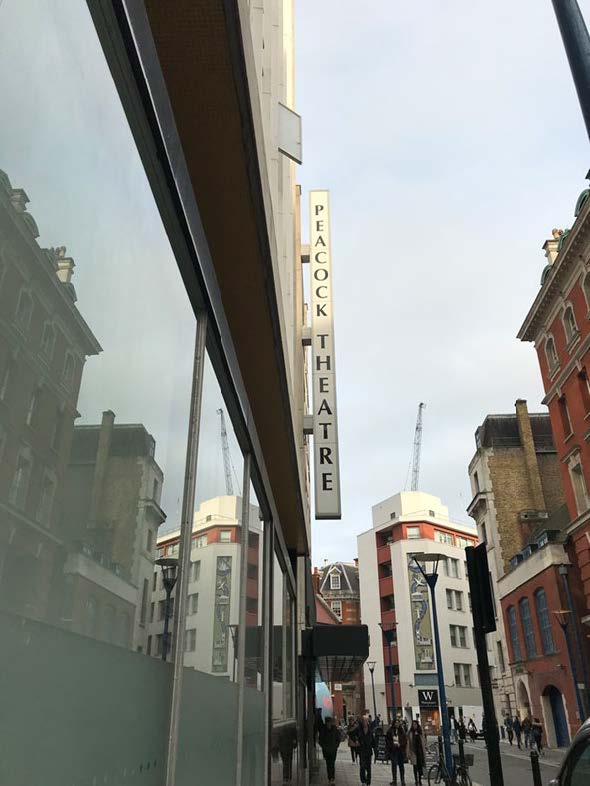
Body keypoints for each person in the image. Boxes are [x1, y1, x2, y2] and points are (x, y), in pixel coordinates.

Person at [353, 713, 375, 786]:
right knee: (362, 766)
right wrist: (356, 740)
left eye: (366, 721)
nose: (365, 722)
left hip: (368, 751)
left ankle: (368, 782)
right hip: (361, 750)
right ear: (362, 721)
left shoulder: (370, 730)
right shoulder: (359, 729)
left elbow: (373, 741)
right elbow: (352, 734)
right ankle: (363, 781)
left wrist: (375, 750)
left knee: (368, 767)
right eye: (364, 721)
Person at [386, 716, 408, 786]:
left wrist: (400, 744)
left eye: (398, 723)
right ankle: (394, 780)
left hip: (400, 750)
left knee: (401, 766)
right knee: (394, 766)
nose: (397, 724)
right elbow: (387, 741)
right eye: (396, 723)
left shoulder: (402, 731)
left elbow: (405, 740)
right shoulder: (390, 731)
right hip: (393, 751)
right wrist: (392, 745)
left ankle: (402, 780)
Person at [318, 716, 341, 785]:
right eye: (327, 723)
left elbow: (338, 739)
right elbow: (320, 740)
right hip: (326, 750)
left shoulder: (335, 729)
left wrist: (336, 746)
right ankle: (330, 778)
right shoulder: (323, 730)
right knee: (328, 764)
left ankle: (332, 778)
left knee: (332, 764)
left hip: (333, 750)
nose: (329, 724)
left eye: (329, 723)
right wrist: (324, 747)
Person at [408, 720, 426, 786]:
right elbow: (408, 743)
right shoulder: (410, 733)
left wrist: (426, 748)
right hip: (414, 751)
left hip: (420, 752)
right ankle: (416, 780)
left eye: (415, 724)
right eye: (413, 724)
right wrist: (408, 753)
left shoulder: (420, 732)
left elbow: (423, 741)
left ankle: (420, 779)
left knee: (420, 766)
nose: (414, 726)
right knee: (415, 767)